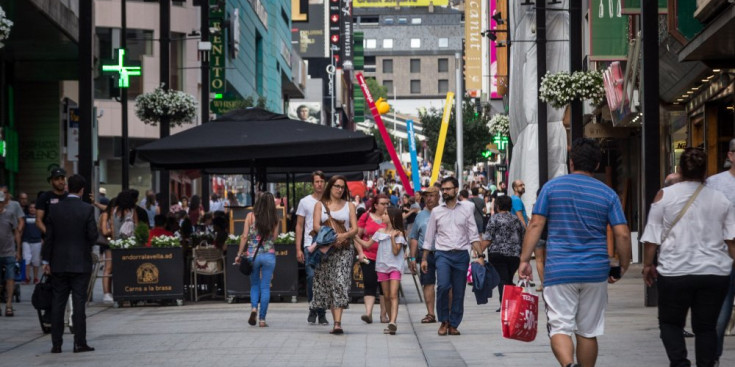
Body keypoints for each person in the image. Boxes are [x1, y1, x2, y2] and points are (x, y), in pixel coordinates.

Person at [518, 138, 631, 367]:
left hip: (559, 269)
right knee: (588, 331)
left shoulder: (551, 188)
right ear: (597, 165)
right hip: (595, 270)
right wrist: (623, 265)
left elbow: (536, 224)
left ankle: (569, 365)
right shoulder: (607, 194)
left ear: (571, 163)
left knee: (559, 326)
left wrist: (524, 260)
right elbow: (623, 234)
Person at [641, 147, 734, 367]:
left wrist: (647, 265)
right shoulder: (720, 199)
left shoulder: (665, 195)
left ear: (680, 169)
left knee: (670, 323)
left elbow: (652, 237)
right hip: (714, 272)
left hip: (675, 271)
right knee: (706, 327)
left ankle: (680, 363)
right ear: (705, 172)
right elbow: (731, 240)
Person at [42, 174, 98, 354]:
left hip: (58, 263)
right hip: (80, 263)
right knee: (79, 303)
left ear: (67, 187)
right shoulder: (87, 209)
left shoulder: (55, 209)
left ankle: (56, 344)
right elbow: (92, 236)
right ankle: (79, 342)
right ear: (82, 190)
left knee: (58, 303)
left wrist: (46, 260)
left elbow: (48, 238)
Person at [421, 177, 483, 336]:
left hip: (462, 255)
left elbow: (473, 234)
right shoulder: (436, 211)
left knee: (459, 291)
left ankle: (454, 323)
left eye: (448, 189)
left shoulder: (467, 209)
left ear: (456, 189)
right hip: (442, 254)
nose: (445, 192)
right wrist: (424, 258)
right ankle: (443, 321)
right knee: (442, 286)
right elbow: (429, 237)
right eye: (443, 189)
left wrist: (480, 255)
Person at [311, 175, 358, 334]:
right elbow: (316, 226)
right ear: (330, 187)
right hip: (326, 249)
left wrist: (342, 236)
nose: (339, 189)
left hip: (344, 249)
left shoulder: (350, 205)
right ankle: (335, 321)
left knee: (340, 281)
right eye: (336, 186)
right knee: (330, 283)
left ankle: (338, 323)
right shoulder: (320, 205)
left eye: (342, 187)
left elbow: (354, 228)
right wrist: (331, 237)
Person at [354, 207, 407, 335]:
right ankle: (390, 323)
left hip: (395, 267)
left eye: (385, 214)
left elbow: (396, 251)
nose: (382, 216)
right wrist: (354, 236)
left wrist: (393, 238)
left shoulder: (399, 233)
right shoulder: (379, 231)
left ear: (392, 217)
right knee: (387, 296)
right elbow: (367, 245)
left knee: (394, 295)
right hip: (382, 267)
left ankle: (393, 321)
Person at [235, 192, 279, 328]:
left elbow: (244, 236)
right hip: (269, 255)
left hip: (252, 255)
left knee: (254, 285)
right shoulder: (275, 218)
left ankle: (254, 308)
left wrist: (238, 254)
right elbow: (275, 238)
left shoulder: (250, 216)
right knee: (265, 287)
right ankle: (262, 320)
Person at [710, 139, 735, 365]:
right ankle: (714, 356)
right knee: (721, 312)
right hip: (724, 255)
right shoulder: (714, 183)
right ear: (730, 155)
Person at [479, 195, 525, 312]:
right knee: (508, 278)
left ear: (498, 206)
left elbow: (488, 238)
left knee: (502, 279)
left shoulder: (494, 219)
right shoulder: (516, 220)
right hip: (514, 255)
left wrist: (480, 252)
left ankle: (504, 303)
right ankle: (509, 302)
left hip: (497, 254)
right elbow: (523, 236)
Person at [295, 171, 328, 325]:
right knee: (311, 277)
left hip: (327, 246)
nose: (319, 184)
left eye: (321, 181)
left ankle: (321, 312)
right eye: (316, 181)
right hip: (310, 245)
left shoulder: (330, 202)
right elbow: (299, 226)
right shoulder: (305, 202)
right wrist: (298, 248)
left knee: (324, 279)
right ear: (312, 184)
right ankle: (313, 307)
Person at [408, 185, 440, 324]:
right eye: (426, 196)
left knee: (446, 285)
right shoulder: (420, 215)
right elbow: (414, 237)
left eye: (431, 195)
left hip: (443, 252)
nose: (428, 199)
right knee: (428, 284)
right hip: (426, 255)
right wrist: (413, 257)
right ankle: (431, 314)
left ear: (438, 196)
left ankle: (448, 312)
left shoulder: (443, 212)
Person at [356, 194, 389, 324]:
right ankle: (368, 313)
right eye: (383, 204)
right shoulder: (366, 217)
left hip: (386, 258)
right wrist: (360, 252)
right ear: (375, 205)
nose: (386, 206)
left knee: (384, 288)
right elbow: (357, 236)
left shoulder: (389, 217)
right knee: (369, 284)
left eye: (387, 203)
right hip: (369, 256)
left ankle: (383, 315)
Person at [0, 191, 21, 317]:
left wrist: (18, 251)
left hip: (9, 252)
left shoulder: (10, 214)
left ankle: (9, 304)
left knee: (10, 278)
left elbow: (16, 232)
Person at [35, 168, 69, 238]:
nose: (60, 182)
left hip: (67, 241)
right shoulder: (44, 197)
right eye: (57, 179)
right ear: (51, 181)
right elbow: (38, 221)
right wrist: (49, 235)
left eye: (62, 179)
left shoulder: (69, 197)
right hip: (50, 241)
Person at [97, 198, 115, 303]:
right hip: (107, 243)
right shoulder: (106, 215)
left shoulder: (114, 214)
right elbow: (104, 231)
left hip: (113, 243)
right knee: (108, 267)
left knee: (111, 268)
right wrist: (112, 228)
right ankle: (106, 293)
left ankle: (110, 292)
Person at [22, 203, 43, 284]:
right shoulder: (25, 217)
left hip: (37, 241)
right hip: (26, 241)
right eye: (30, 207)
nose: (32, 209)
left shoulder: (40, 218)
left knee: (36, 261)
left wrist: (42, 239)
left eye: (34, 208)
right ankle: (26, 277)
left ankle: (35, 278)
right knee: (26, 260)